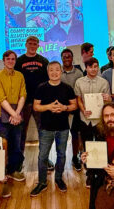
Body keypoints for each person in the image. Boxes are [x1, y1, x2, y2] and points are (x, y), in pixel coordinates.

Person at [30, 61, 77, 196]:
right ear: (48, 72)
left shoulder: (67, 88)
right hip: (45, 128)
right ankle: (42, 182)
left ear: (61, 71)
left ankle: (59, 179)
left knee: (61, 155)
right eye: (51, 70)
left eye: (57, 70)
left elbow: (74, 105)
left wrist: (64, 108)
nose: (54, 72)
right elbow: (36, 106)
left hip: (63, 128)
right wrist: (49, 107)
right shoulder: (41, 87)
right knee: (42, 156)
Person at [14, 36, 55, 170]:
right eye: (30, 43)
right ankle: (19, 160)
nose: (32, 45)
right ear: (25, 44)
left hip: (40, 102)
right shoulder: (19, 61)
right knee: (21, 133)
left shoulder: (43, 61)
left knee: (43, 132)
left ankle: (45, 158)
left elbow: (48, 82)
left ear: (38, 45)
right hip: (23, 102)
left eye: (35, 44)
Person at [74, 57, 111, 187]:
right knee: (87, 146)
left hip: (100, 121)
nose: (93, 69)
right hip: (85, 120)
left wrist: (108, 98)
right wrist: (83, 110)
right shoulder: (79, 82)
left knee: (101, 146)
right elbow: (78, 99)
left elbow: (108, 101)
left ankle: (101, 174)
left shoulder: (104, 82)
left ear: (98, 67)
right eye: (90, 67)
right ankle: (89, 174)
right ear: (86, 68)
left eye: (96, 66)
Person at [0, 50, 26, 182]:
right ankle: (2, 172)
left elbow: (23, 95)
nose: (11, 61)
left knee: (16, 144)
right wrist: (13, 114)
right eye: (8, 59)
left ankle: (13, 170)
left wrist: (17, 113)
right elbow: (1, 98)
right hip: (2, 113)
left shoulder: (20, 75)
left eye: (13, 59)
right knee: (4, 144)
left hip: (17, 111)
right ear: (4, 60)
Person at [61, 48, 83, 171]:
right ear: (61, 58)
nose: (67, 59)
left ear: (72, 58)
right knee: (62, 135)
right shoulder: (58, 72)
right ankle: (61, 158)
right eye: (64, 57)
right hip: (61, 109)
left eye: (68, 56)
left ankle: (75, 157)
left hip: (75, 109)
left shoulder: (79, 73)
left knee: (75, 134)